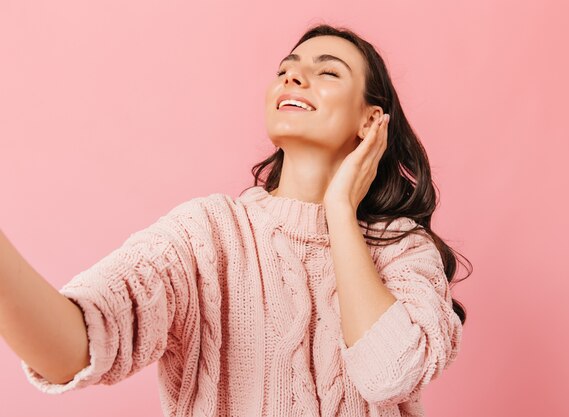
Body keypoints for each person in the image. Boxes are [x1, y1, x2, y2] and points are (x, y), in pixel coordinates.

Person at [0, 23, 470, 416]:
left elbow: (388, 374)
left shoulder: (403, 250)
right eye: (285, 71)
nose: (294, 79)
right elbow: (74, 349)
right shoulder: (206, 235)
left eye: (326, 72)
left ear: (371, 121)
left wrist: (341, 213)